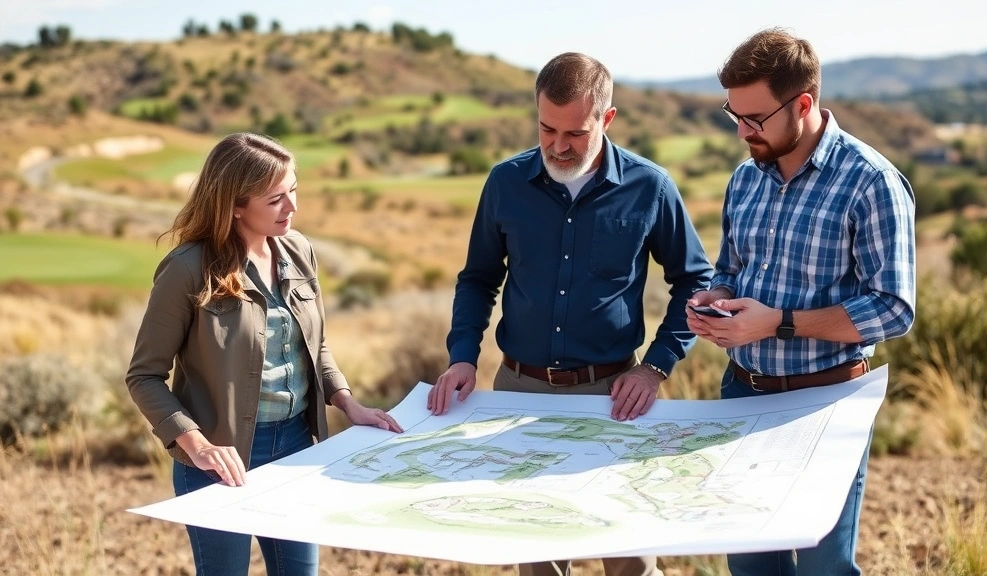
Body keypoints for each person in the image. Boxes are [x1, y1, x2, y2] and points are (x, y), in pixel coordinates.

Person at [427, 52, 713, 576]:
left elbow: (695, 280)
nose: (558, 146)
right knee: (536, 554)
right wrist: (463, 356)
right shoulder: (504, 183)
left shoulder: (651, 187)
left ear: (606, 119)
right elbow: (478, 279)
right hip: (517, 390)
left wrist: (656, 367)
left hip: (614, 396)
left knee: (629, 555)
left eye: (575, 133)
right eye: (546, 128)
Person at [685, 28, 916, 576]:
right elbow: (732, 269)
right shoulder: (744, 179)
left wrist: (778, 324)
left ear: (804, 104)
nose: (742, 131)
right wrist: (717, 298)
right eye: (733, 115)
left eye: (755, 119)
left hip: (827, 403)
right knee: (752, 568)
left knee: (823, 570)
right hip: (741, 395)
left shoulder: (871, 182)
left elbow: (894, 309)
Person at [125, 132, 403, 576]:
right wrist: (197, 446)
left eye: (293, 191)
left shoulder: (300, 250)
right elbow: (144, 376)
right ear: (235, 204)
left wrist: (348, 402)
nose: (292, 208)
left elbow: (316, 346)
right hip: (218, 461)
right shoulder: (186, 270)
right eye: (276, 199)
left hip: (298, 448)